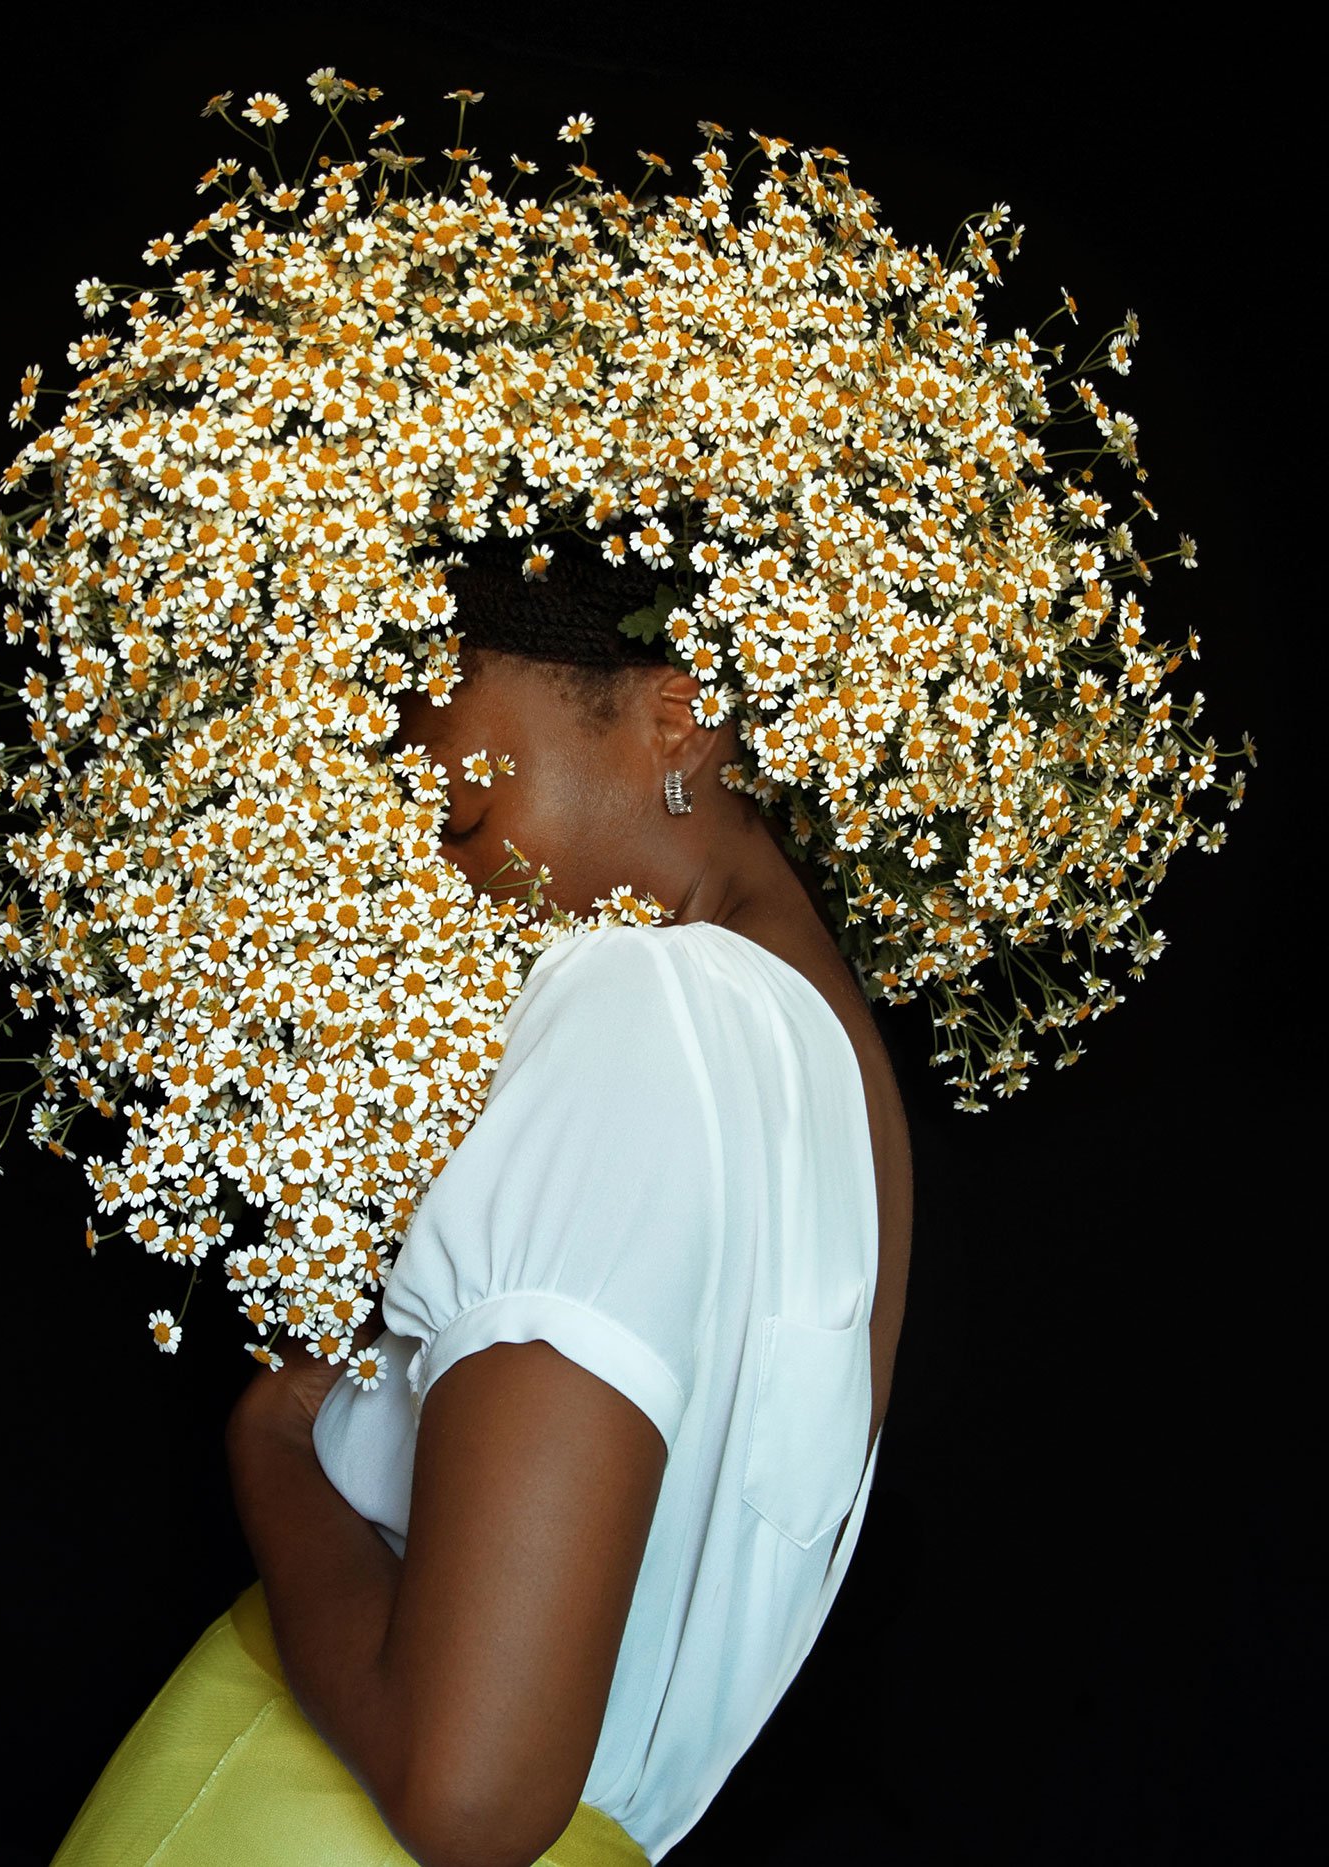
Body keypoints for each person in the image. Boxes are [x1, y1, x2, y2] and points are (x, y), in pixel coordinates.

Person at [49, 538, 913, 1866]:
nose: (450, 881)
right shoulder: (847, 1102)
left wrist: (274, 1442)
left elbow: (472, 1794)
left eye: (461, 818)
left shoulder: (644, 1005)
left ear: (674, 717)